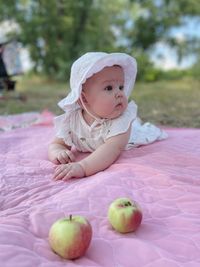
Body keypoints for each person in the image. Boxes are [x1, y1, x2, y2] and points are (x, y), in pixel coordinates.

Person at [48, 52, 167, 181]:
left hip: (130, 136)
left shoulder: (120, 119)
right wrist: (58, 153)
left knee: (138, 127)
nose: (120, 93)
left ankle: (136, 123)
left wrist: (83, 167)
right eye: (109, 88)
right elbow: (56, 144)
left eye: (121, 87)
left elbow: (112, 148)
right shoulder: (71, 120)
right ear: (83, 98)